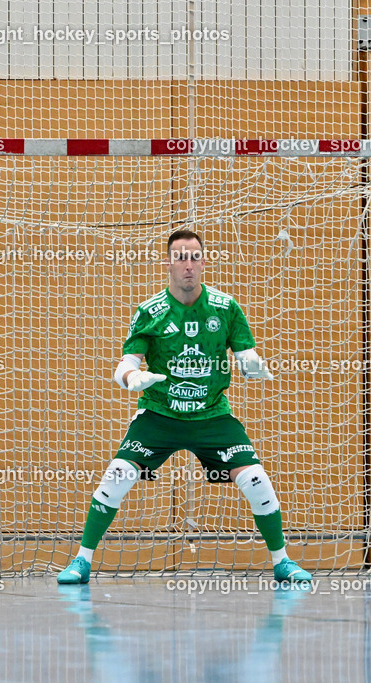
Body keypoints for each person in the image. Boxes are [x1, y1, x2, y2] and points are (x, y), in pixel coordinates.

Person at [57, 229, 312, 585]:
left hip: (211, 415)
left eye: (194, 257)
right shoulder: (151, 311)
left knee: (256, 480)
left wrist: (252, 364)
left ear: (204, 262)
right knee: (117, 475)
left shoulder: (225, 307)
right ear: (168, 263)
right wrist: (133, 379)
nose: (187, 265)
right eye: (180, 257)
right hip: (160, 414)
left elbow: (245, 353)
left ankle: (282, 561)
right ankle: (81, 562)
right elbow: (125, 363)